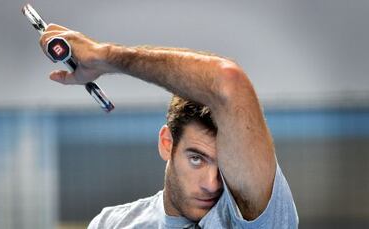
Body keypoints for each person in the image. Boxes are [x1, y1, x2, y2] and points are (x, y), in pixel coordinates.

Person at [40, 24, 299, 229]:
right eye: (197, 159)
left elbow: (227, 81)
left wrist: (104, 57)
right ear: (167, 143)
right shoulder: (113, 223)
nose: (212, 184)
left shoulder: (251, 219)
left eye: (224, 169)